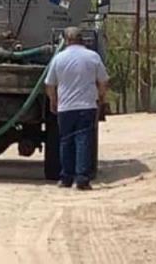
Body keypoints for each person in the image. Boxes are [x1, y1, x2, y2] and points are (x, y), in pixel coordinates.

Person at [44, 26, 109, 190]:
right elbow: (103, 81)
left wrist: (53, 101)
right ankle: (82, 179)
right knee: (83, 141)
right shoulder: (93, 57)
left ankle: (66, 178)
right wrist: (101, 98)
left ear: (65, 40)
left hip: (65, 107)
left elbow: (49, 84)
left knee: (65, 141)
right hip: (87, 106)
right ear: (83, 39)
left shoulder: (59, 58)